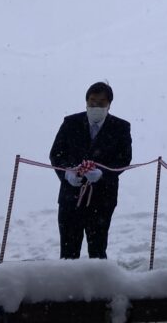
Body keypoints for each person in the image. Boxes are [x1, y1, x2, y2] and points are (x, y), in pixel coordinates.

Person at [49, 81, 133, 259]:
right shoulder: (71, 123)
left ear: (109, 104)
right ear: (86, 102)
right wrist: (67, 173)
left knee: (97, 250)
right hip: (70, 197)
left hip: (102, 199)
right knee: (68, 252)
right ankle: (69, 286)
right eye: (92, 102)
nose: (95, 106)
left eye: (101, 103)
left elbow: (124, 159)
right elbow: (56, 154)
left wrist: (103, 173)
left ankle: (98, 286)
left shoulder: (121, 127)